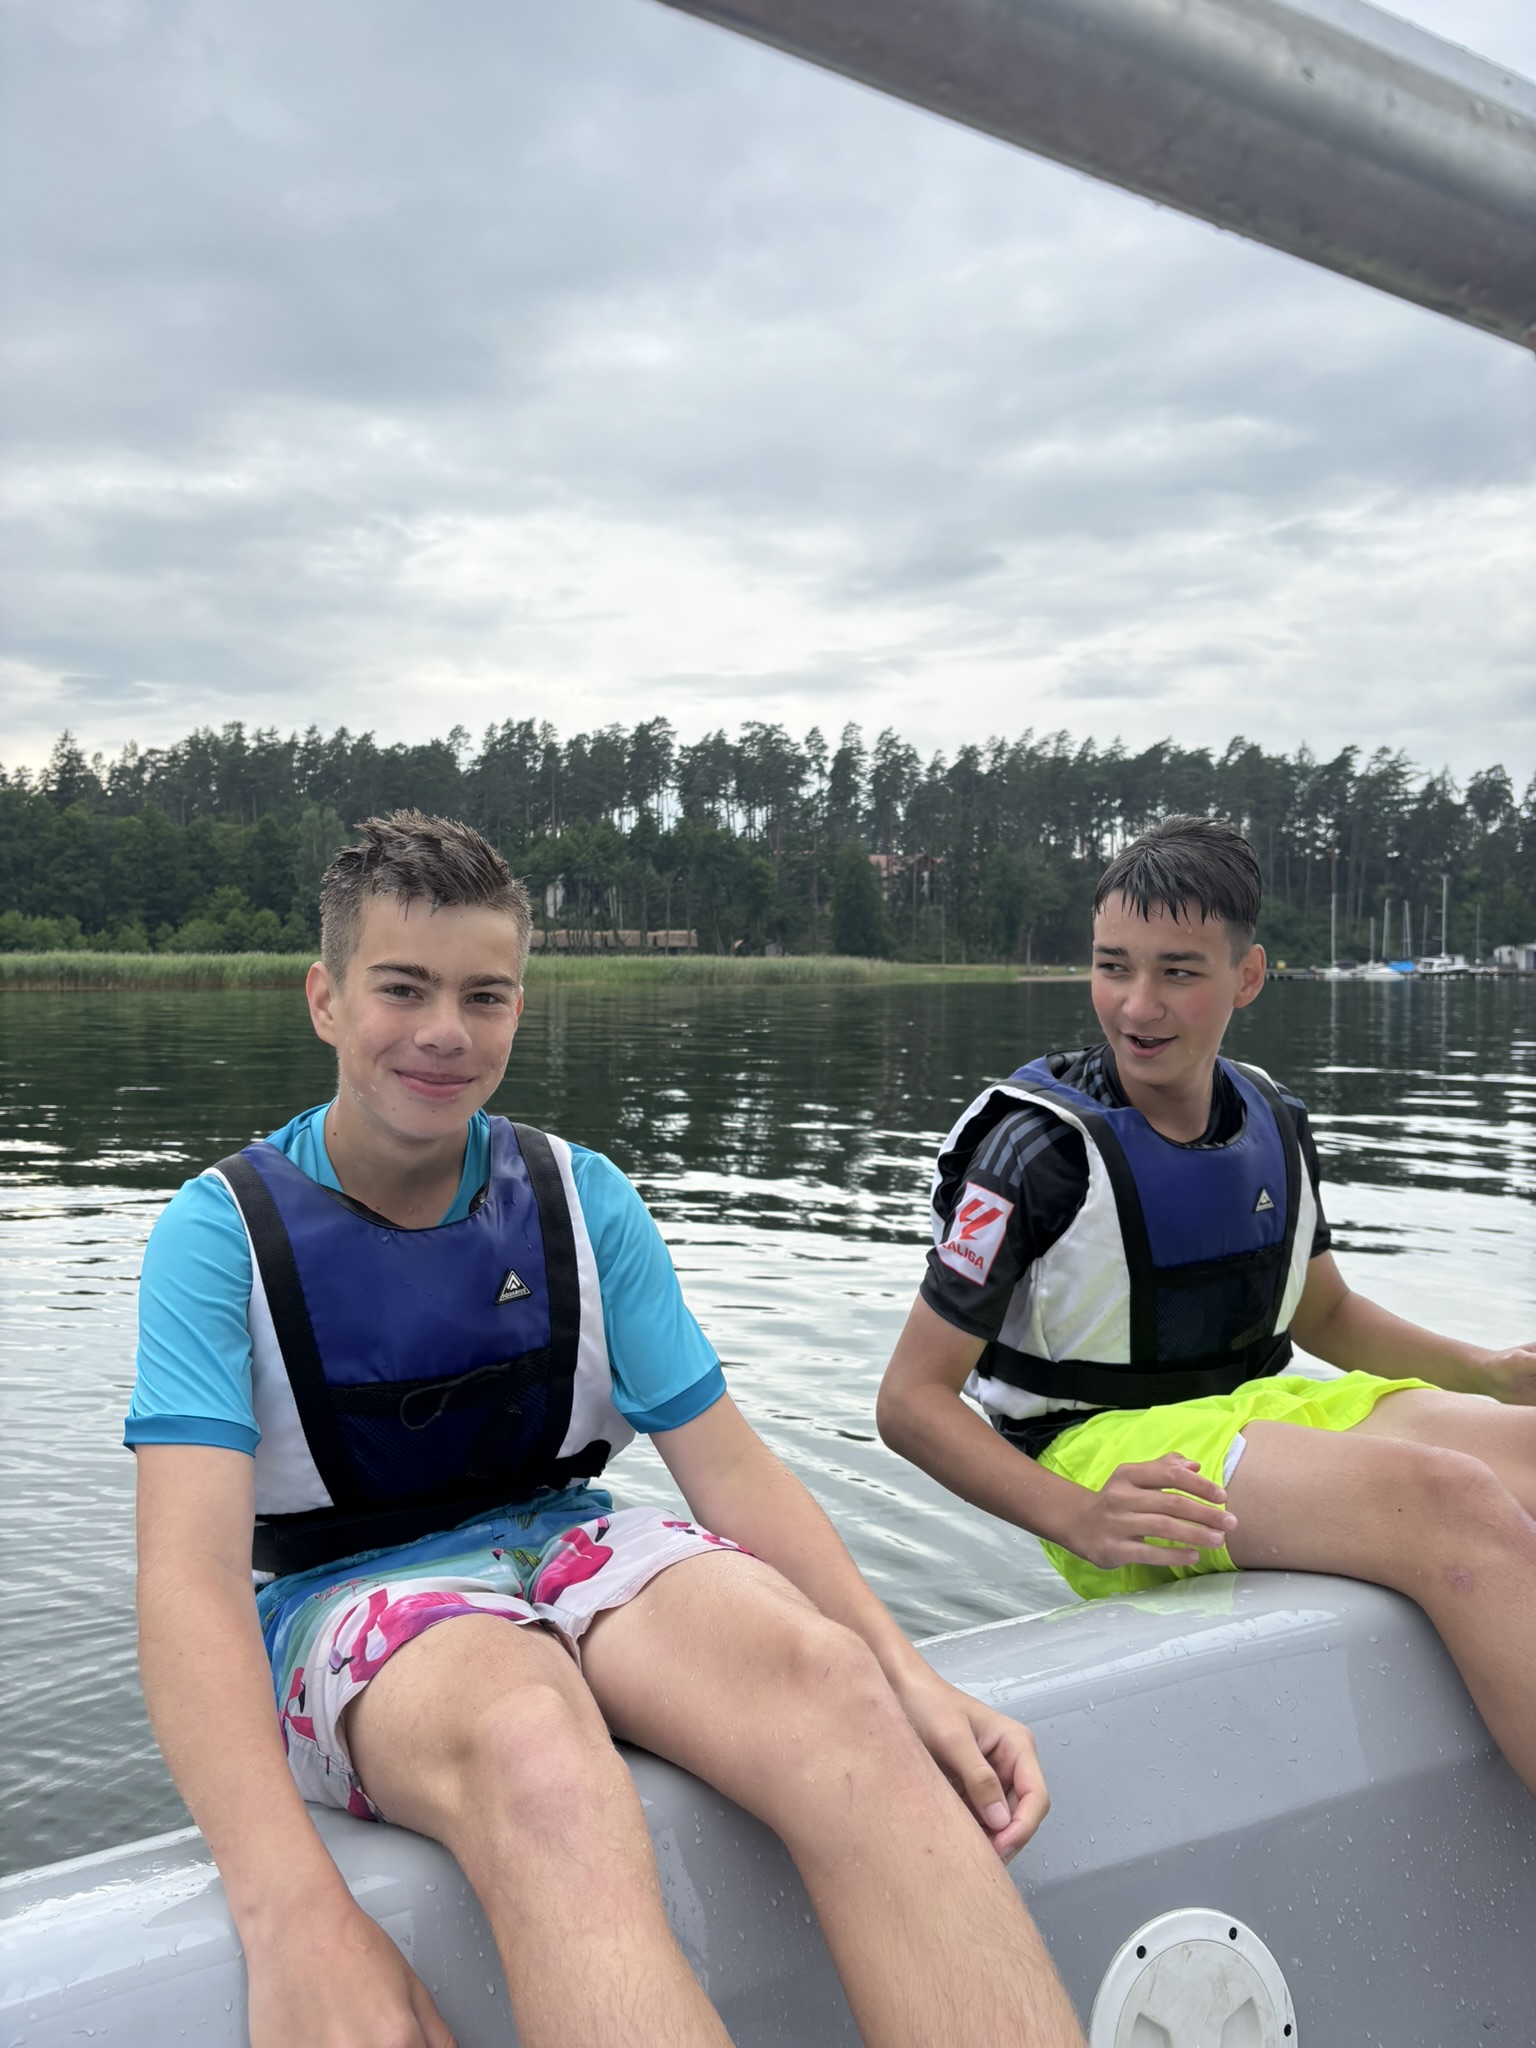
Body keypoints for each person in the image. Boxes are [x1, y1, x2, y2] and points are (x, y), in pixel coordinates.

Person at [127, 810, 1083, 2048]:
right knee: (534, 1742)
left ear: (519, 1006)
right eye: (403, 987)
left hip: (575, 1544)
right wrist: (291, 1911)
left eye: (484, 994)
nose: (445, 1030)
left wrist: (909, 1674)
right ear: (325, 997)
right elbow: (188, 1579)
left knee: (832, 1684)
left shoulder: (582, 1198)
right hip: (347, 1589)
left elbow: (729, 1470)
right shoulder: (217, 1236)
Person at [877, 814, 1536, 1794]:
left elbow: (1322, 1315)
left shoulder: (1273, 1116)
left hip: (1256, 1410)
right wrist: (1078, 1516)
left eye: (1178, 971)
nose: (1137, 1005)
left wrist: (1492, 1374)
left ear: (1247, 976)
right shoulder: (1034, 1152)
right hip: (1105, 1453)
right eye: (1112, 966)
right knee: (1451, 1503)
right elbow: (909, 1401)